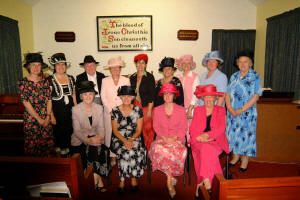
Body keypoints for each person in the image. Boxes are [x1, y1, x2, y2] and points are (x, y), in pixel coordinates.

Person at [189, 84, 229, 197]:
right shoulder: (198, 110)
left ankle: (202, 183)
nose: (209, 99)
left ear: (216, 98)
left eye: (211, 97)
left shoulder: (221, 110)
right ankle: (210, 183)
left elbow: (221, 129)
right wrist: (198, 138)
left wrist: (206, 135)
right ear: (202, 98)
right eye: (206, 97)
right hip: (199, 141)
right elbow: (192, 128)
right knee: (206, 149)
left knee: (206, 151)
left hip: (216, 141)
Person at [149, 83, 188, 199]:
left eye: (170, 94)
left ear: (174, 96)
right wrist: (165, 138)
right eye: (165, 94)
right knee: (158, 149)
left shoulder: (181, 110)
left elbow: (184, 127)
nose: (167, 96)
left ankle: (168, 179)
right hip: (162, 139)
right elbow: (156, 126)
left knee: (178, 151)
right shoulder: (157, 110)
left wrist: (174, 138)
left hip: (178, 139)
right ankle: (169, 179)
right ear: (162, 96)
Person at [225, 50, 262, 172]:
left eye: (245, 62)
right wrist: (230, 108)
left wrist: (241, 110)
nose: (243, 64)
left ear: (250, 63)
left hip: (247, 113)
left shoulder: (255, 77)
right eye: (240, 62)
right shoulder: (234, 76)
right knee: (234, 135)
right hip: (232, 113)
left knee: (246, 136)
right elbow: (227, 94)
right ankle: (235, 156)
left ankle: (245, 159)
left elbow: (256, 96)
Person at [71, 81, 109, 192]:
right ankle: (98, 180)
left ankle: (94, 180)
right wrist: (88, 140)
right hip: (80, 140)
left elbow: (102, 128)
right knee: (94, 150)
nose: (88, 96)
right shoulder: (76, 109)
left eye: (90, 94)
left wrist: (100, 138)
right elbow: (77, 131)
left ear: (94, 95)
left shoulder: (99, 108)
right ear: (81, 96)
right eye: (85, 94)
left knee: (100, 149)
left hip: (96, 138)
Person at [110, 86, 147, 195]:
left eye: (129, 96)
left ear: (132, 97)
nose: (126, 98)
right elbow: (115, 131)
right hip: (119, 138)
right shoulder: (115, 110)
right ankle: (122, 180)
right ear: (121, 97)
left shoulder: (138, 110)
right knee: (124, 151)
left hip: (134, 137)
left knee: (132, 151)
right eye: (124, 96)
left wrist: (130, 140)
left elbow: (139, 130)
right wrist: (125, 141)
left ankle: (133, 177)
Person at [17, 53, 56, 157]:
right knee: (33, 150)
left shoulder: (45, 82)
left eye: (38, 65)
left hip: (46, 118)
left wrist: (48, 117)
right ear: (29, 67)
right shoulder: (23, 82)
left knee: (47, 149)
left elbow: (49, 100)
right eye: (33, 64)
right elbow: (26, 103)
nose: (36, 67)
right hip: (32, 120)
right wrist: (39, 119)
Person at [101, 56, 130, 166]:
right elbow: (103, 96)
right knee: (110, 134)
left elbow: (128, 95)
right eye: (112, 68)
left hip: (123, 111)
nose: (115, 70)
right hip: (108, 112)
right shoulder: (105, 80)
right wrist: (110, 109)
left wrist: (122, 109)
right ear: (109, 69)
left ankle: (121, 154)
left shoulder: (125, 80)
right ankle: (112, 155)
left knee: (122, 132)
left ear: (120, 68)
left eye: (117, 67)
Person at [48, 53, 76, 157]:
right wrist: (51, 115)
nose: (61, 66)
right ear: (54, 67)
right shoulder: (50, 80)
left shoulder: (71, 78)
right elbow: (48, 100)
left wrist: (77, 111)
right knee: (59, 136)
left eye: (63, 64)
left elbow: (73, 96)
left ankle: (69, 160)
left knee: (69, 133)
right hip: (57, 113)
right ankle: (61, 162)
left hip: (69, 112)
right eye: (58, 64)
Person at [187, 50, 227, 118]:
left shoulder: (221, 76)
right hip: (202, 110)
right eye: (209, 61)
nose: (211, 63)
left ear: (218, 63)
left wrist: (214, 114)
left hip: (214, 112)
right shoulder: (203, 75)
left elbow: (221, 97)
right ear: (206, 63)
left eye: (214, 61)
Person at [130, 54, 155, 150]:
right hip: (135, 106)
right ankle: (139, 150)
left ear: (145, 65)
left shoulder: (150, 77)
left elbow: (152, 95)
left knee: (147, 130)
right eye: (138, 63)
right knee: (136, 129)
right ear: (135, 64)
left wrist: (149, 110)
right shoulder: (132, 77)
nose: (140, 65)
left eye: (142, 63)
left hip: (146, 106)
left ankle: (149, 150)